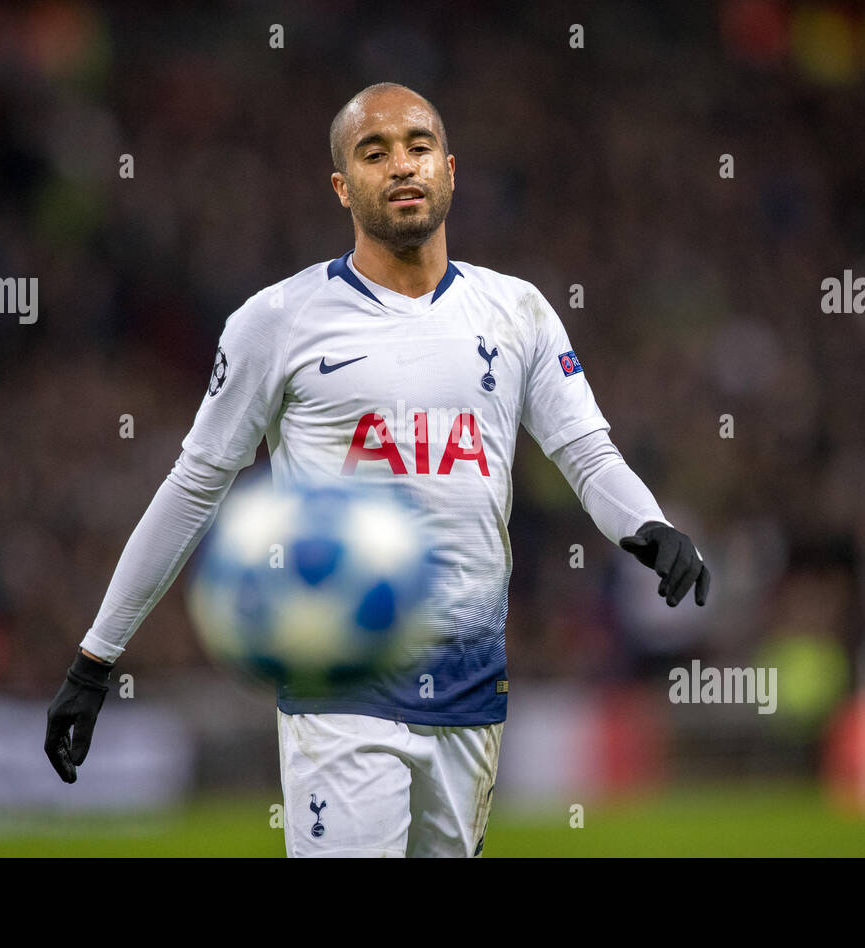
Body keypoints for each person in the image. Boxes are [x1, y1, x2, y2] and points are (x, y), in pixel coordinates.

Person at [45, 82, 710, 857]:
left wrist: (649, 523)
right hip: (340, 678)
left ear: (451, 170)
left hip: (470, 681)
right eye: (374, 151)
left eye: (418, 146)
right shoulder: (277, 321)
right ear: (342, 186)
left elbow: (586, 451)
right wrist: (97, 657)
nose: (401, 165)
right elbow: (194, 486)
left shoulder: (517, 311)